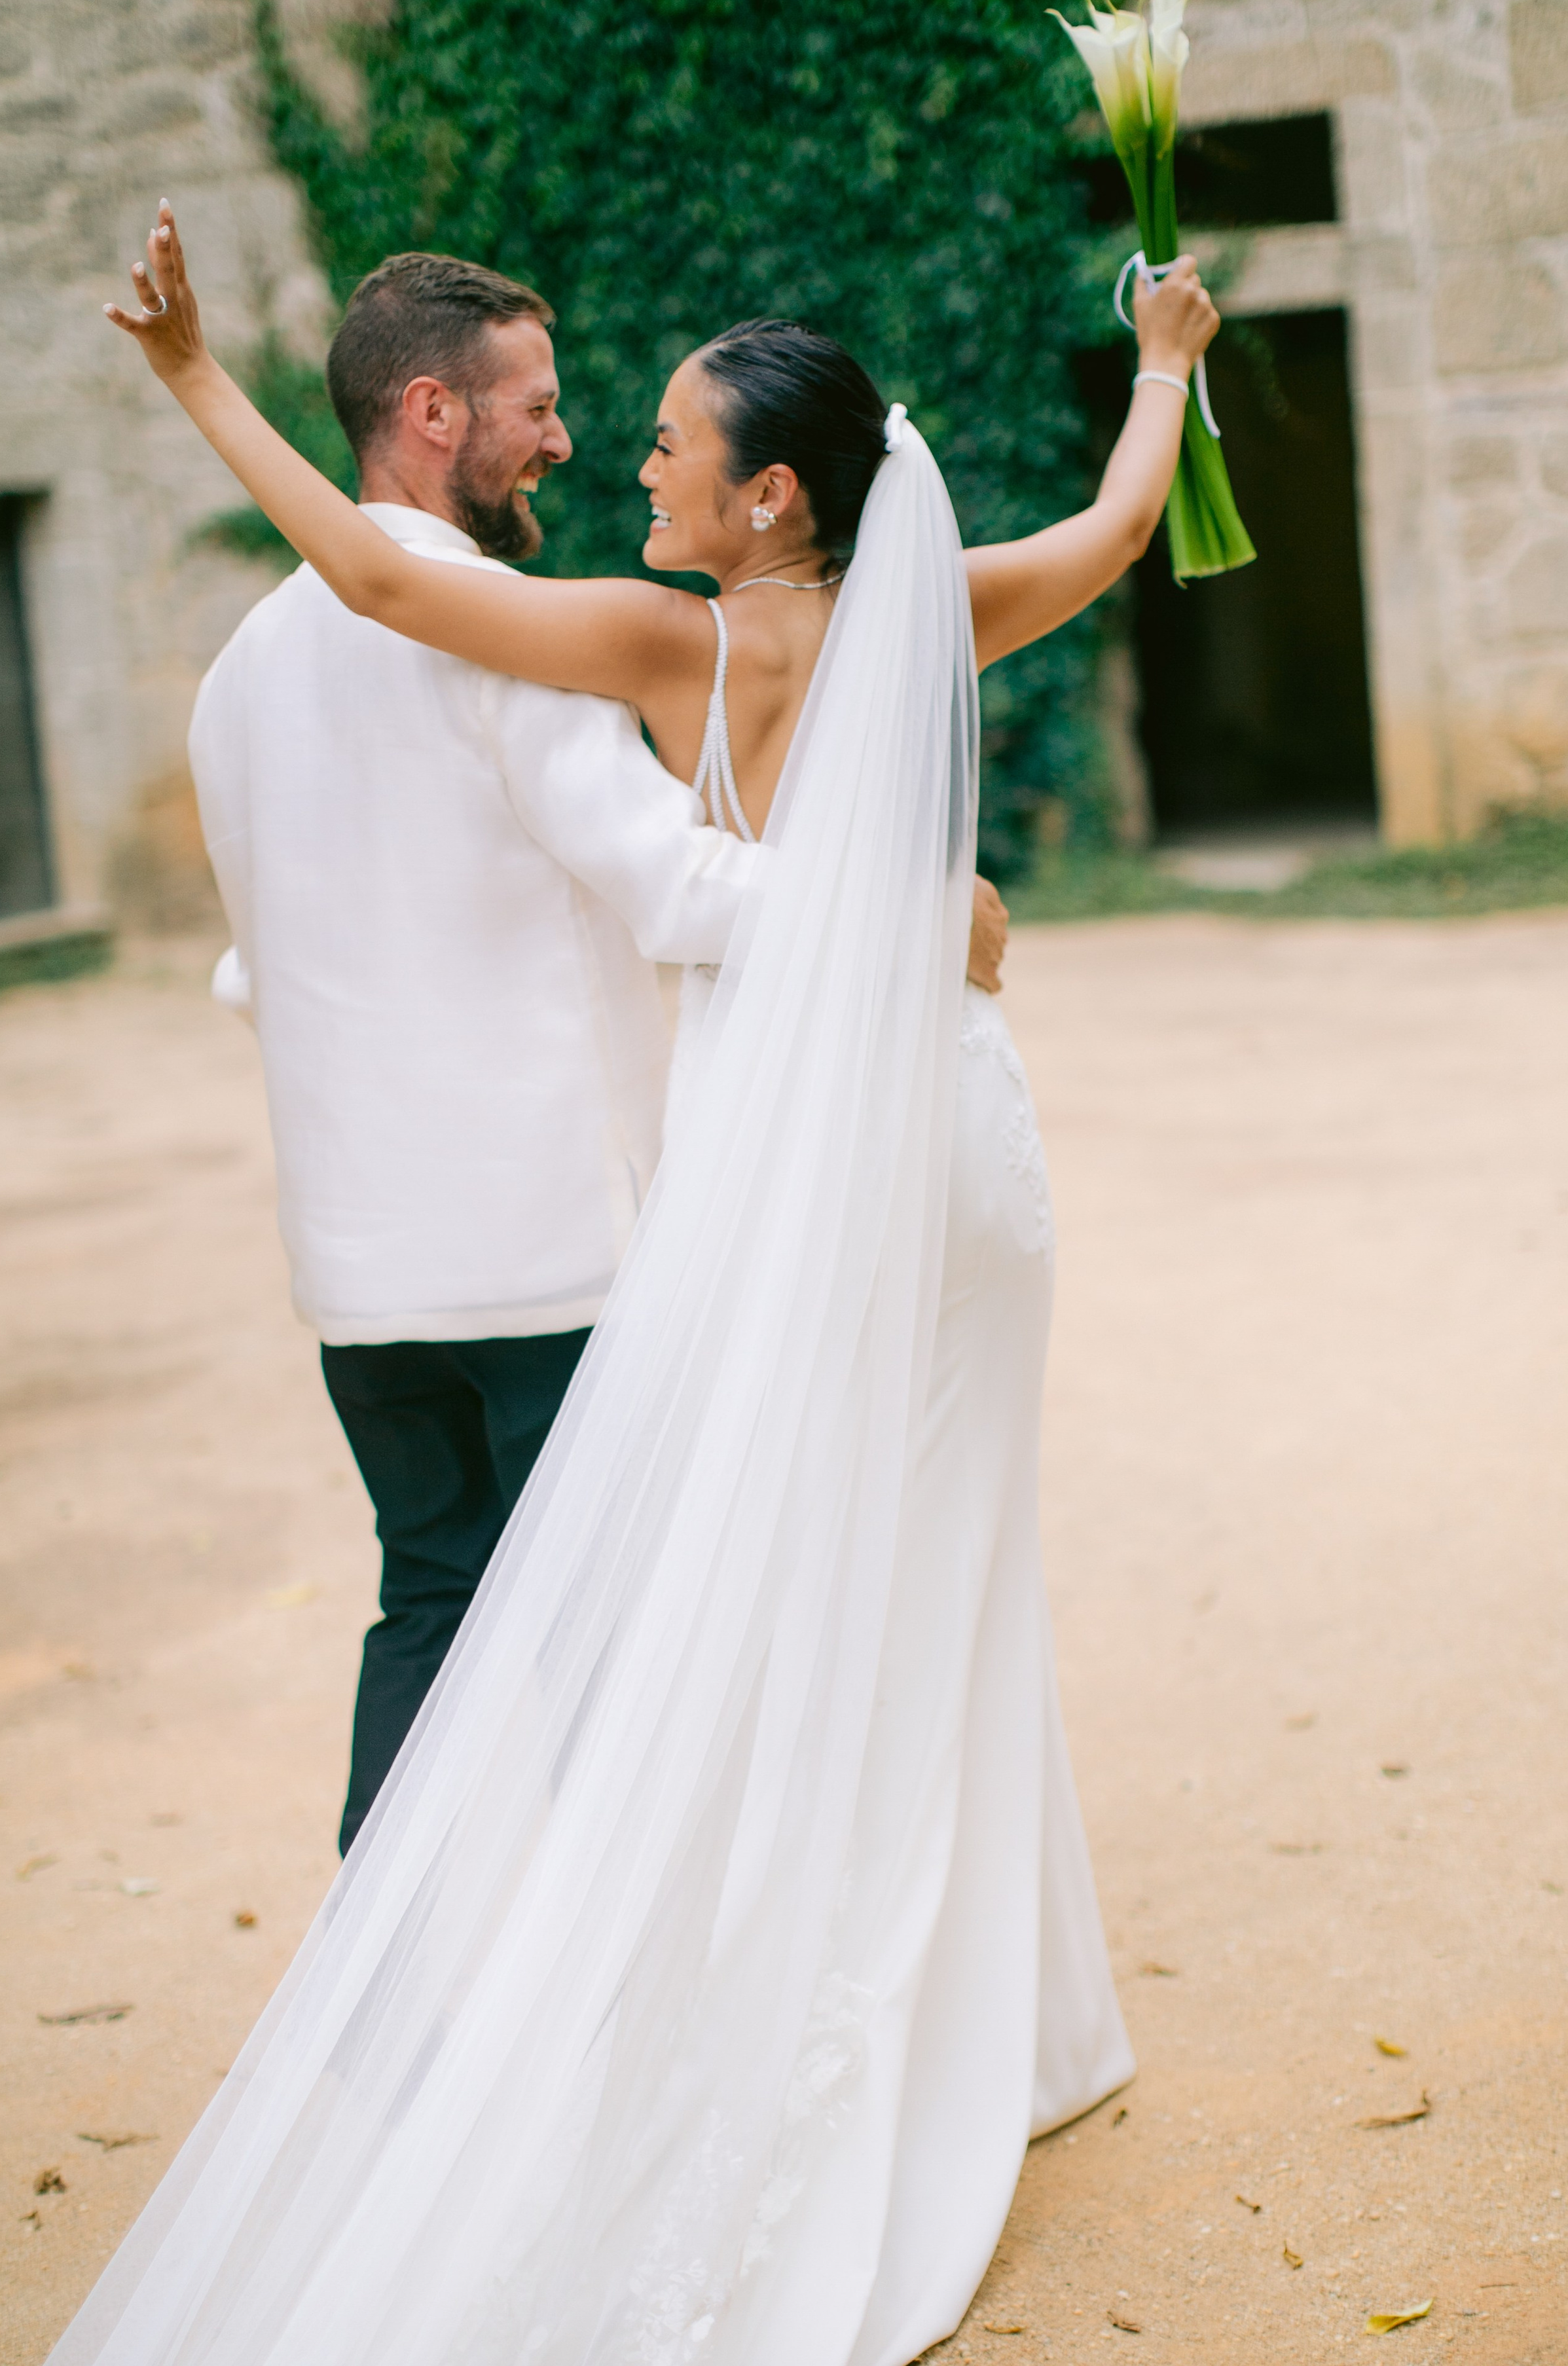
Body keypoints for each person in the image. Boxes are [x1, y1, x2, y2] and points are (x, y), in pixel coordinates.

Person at [53, 206, 1221, 2366]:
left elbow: (385, 589)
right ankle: (980, 2000)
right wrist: (1163, 359)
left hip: (730, 1169)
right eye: (601, 421)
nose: (627, 459)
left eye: (672, 442)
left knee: (695, 1586)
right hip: (947, 1127)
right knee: (930, 1559)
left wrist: (198, 382)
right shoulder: (915, 609)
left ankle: (676, 2005)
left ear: (767, 491)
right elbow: (1124, 530)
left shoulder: (664, 645)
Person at [186, 247, 1013, 1854]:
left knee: (425, 1601)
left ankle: (391, 2032)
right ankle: (613, 2038)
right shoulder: (508, 638)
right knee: (626, 1653)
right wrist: (914, 914)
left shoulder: (232, 681)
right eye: (536, 407)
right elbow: (674, 884)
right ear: (432, 413)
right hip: (553, 1257)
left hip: (357, 1275)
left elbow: (251, 973)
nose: (565, 442)